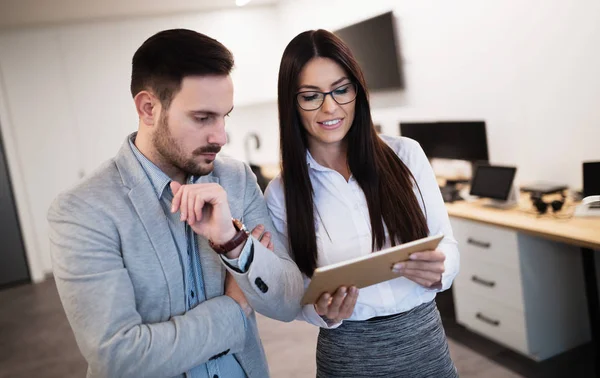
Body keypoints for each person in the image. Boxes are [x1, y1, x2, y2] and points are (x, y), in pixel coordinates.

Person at [47, 29, 304, 378]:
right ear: (148, 108)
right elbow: (119, 358)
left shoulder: (236, 179)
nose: (221, 137)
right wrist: (233, 308)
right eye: (202, 118)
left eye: (223, 116)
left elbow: (289, 300)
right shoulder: (82, 212)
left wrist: (233, 243)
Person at [265, 29, 460, 377]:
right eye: (311, 96)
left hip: (423, 341)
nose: (330, 107)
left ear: (358, 91)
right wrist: (323, 310)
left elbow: (447, 245)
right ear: (291, 104)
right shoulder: (282, 193)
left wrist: (440, 269)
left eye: (341, 90)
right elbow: (291, 294)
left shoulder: (406, 154)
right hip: (348, 356)